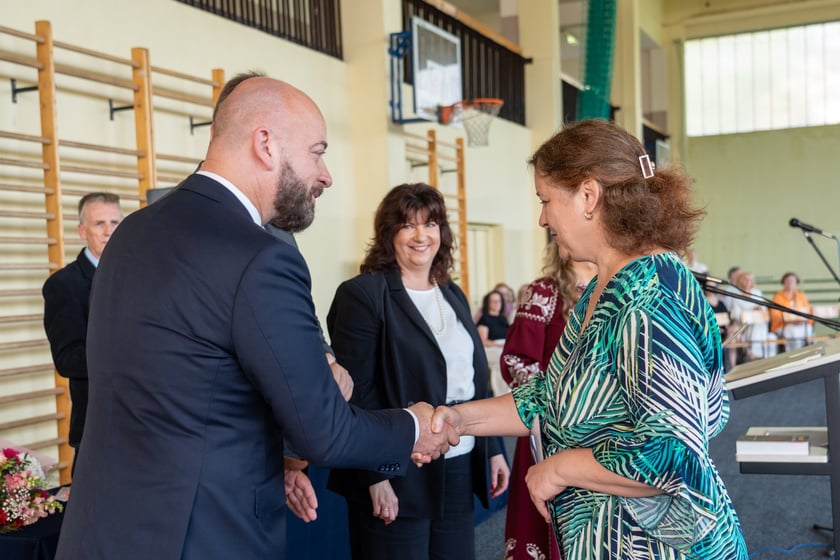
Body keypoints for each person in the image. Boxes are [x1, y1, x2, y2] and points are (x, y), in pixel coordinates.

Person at [55, 73, 455, 560]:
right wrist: (413, 425)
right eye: (317, 151)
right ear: (266, 144)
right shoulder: (260, 255)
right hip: (201, 535)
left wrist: (282, 458)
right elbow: (324, 432)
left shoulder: (132, 233)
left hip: (104, 530)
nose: (325, 174)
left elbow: (187, 387)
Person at [429, 119, 749, 559]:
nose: (542, 218)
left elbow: (671, 453)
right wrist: (461, 420)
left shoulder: (647, 297)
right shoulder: (604, 286)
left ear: (588, 196)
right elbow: (552, 396)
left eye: (546, 201)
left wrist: (559, 469)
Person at [326, 183, 510, 560]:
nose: (421, 235)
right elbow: (357, 395)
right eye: (408, 225)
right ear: (388, 233)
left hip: (458, 460)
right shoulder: (363, 295)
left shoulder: (451, 292)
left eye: (430, 224)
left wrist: (491, 448)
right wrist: (375, 477)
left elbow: (475, 379)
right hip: (399, 467)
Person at [499, 240, 593, 560]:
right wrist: (568, 402)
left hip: (604, 438)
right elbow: (518, 364)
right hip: (550, 432)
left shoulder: (616, 286)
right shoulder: (544, 293)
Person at [42, 192, 122, 475]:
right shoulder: (64, 285)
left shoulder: (138, 277)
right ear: (82, 231)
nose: (109, 231)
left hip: (143, 423)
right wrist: (127, 354)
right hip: (97, 427)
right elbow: (67, 359)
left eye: (115, 222)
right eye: (99, 223)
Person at [769, 272, 814, 351]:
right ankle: (794, 355)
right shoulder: (777, 296)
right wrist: (791, 322)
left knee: (809, 330)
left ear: (796, 283)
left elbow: (808, 312)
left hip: (802, 324)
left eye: (792, 281)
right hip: (783, 326)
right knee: (793, 332)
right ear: (783, 282)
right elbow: (775, 315)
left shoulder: (801, 295)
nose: (790, 283)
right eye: (787, 280)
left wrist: (803, 321)